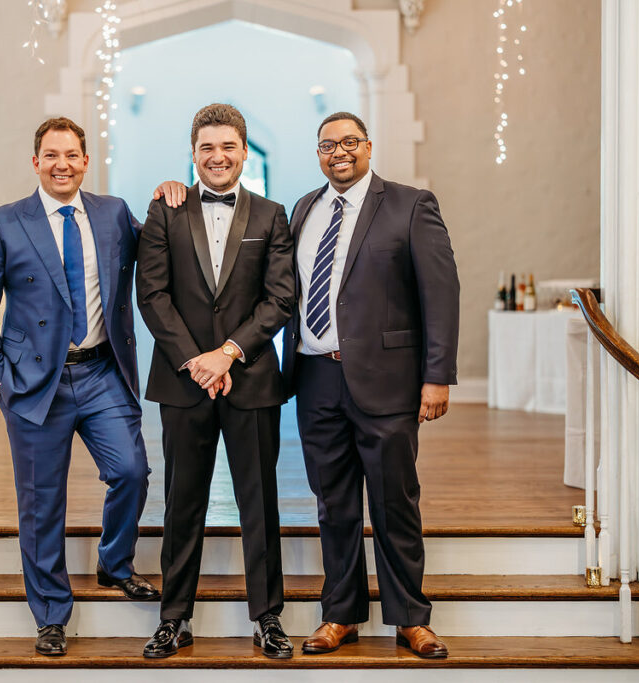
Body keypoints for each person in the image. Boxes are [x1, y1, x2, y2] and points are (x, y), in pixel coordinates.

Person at [0, 116, 158, 658]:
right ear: (35, 163)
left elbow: (163, 252)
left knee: (132, 472)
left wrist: (172, 200)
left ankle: (114, 563)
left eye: (72, 155)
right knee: (41, 502)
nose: (62, 164)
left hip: (102, 373)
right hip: (33, 385)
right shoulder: (3, 222)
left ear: (85, 161)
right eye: (51, 155)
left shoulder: (114, 213)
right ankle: (50, 613)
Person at [284, 112, 459, 658]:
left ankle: (410, 617)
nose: (338, 152)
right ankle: (341, 615)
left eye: (349, 142)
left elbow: (441, 293)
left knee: (394, 501)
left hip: (387, 381)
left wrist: (437, 375)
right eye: (326, 145)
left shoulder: (410, 204)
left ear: (367, 146)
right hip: (316, 377)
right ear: (317, 154)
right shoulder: (303, 209)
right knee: (333, 504)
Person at [135, 103, 296, 659]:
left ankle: (268, 618)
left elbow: (280, 298)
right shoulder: (164, 212)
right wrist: (196, 362)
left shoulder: (273, 215)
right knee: (182, 502)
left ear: (245, 151)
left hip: (250, 379)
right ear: (193, 152)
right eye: (207, 147)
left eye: (228, 146)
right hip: (183, 382)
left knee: (260, 502)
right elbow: (151, 296)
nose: (218, 156)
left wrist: (227, 354)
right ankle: (174, 618)